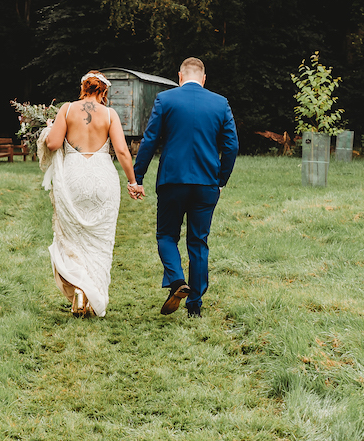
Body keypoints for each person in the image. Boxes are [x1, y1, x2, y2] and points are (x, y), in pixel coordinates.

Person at [130, 57, 238, 318]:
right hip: (206, 183)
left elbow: (150, 140)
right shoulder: (220, 103)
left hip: (172, 180)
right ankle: (195, 307)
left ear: (180, 76)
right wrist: (220, 180)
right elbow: (232, 146)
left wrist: (138, 176)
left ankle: (178, 281)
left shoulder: (166, 100)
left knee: (166, 236)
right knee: (198, 242)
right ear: (203, 78)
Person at [38, 71, 141, 318]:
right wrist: (133, 181)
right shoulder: (109, 114)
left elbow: (52, 144)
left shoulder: (66, 110)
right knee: (100, 241)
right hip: (102, 179)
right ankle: (92, 293)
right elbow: (123, 152)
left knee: (72, 238)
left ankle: (79, 291)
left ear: (83, 88)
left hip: (72, 179)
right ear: (104, 92)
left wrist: (49, 129)